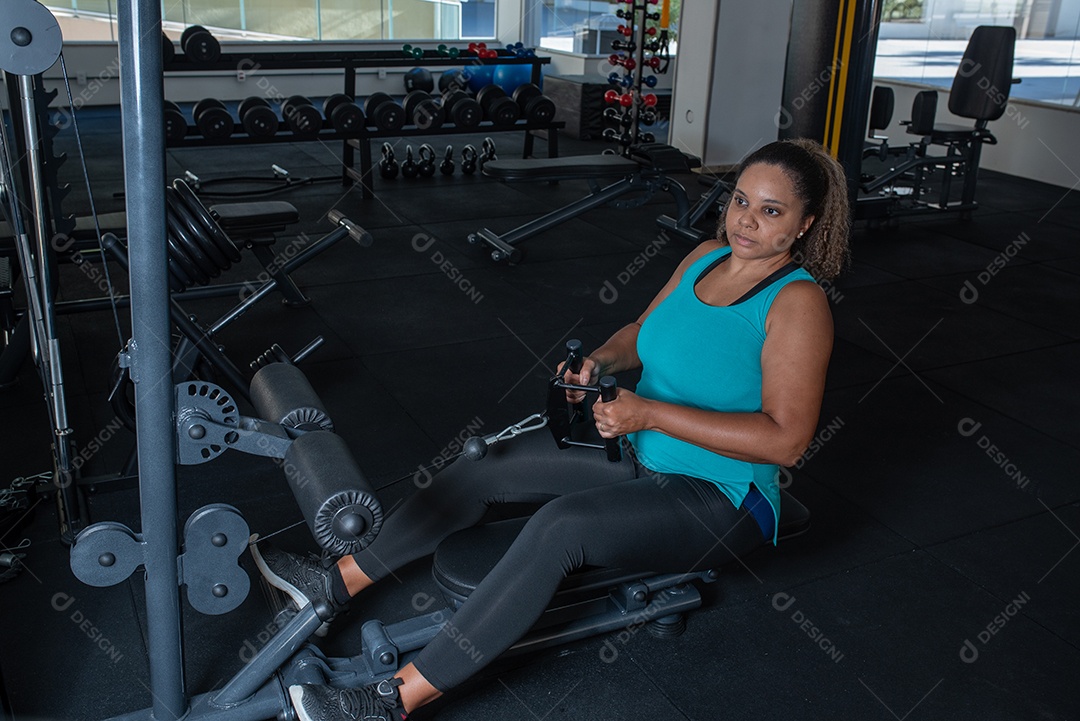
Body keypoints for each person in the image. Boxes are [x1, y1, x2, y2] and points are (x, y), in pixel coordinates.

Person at [251, 138, 851, 721]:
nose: (746, 220)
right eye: (740, 199)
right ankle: (334, 585)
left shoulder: (797, 303)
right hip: (637, 444)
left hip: (720, 493)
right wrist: (599, 362)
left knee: (559, 528)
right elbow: (642, 332)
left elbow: (787, 439)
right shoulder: (705, 257)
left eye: (771, 211)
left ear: (804, 224)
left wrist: (651, 414)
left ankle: (392, 702)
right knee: (485, 464)